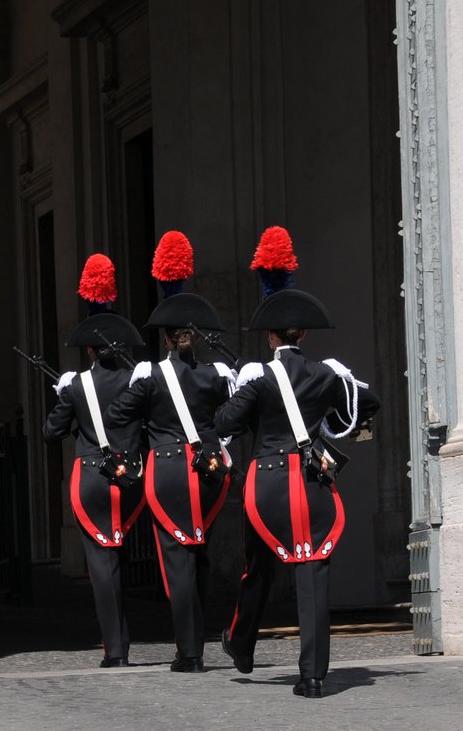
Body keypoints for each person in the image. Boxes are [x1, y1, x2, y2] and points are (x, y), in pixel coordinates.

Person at [215, 228, 378, 697]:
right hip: (310, 481)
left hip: (266, 485)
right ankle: (312, 676)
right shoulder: (327, 374)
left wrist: (246, 394)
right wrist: (327, 424)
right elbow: (369, 404)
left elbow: (224, 421)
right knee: (313, 570)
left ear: (270, 336)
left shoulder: (259, 377)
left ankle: (241, 644)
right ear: (302, 333)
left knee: (258, 563)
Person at [105, 232, 236, 672]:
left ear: (166, 340)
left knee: (176, 561)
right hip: (210, 472)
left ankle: (190, 651)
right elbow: (231, 417)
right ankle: (196, 638)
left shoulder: (149, 378)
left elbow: (117, 415)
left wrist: (145, 413)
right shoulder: (216, 376)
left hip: (168, 472)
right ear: (194, 339)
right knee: (199, 552)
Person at [42, 254, 147, 667]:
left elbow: (52, 433)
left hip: (91, 478)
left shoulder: (76, 386)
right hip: (131, 477)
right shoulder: (134, 381)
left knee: (101, 564)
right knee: (119, 554)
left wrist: (64, 399)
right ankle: (128, 639)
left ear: (89, 348)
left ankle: (115, 650)